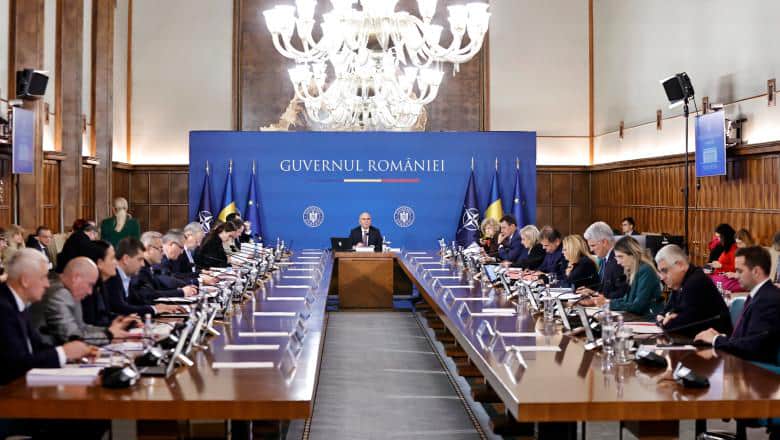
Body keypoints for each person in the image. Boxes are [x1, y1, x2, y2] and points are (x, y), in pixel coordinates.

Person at [0, 249, 97, 385]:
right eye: (43, 277)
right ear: (25, 280)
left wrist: (71, 354)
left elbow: (37, 347)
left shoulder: (18, 304)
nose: (47, 284)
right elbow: (15, 365)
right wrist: (63, 353)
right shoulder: (3, 309)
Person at [695, 246, 780, 364]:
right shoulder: (760, 294)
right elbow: (746, 339)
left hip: (757, 370)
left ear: (756, 271)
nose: (736, 275)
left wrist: (716, 339)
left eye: (740, 271)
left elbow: (753, 347)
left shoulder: (768, 299)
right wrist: (722, 337)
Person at [30, 257, 135, 346]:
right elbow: (73, 337)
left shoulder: (69, 290)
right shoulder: (60, 294)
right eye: (90, 285)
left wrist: (110, 330)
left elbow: (81, 328)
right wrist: (109, 335)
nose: (90, 292)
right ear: (76, 278)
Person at [655, 245, 732, 337]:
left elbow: (680, 326)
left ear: (680, 265)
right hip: (693, 339)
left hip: (717, 343)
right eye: (660, 272)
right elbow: (665, 313)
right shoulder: (680, 282)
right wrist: (665, 316)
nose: (662, 277)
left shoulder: (696, 282)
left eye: (665, 271)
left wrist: (666, 320)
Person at [582, 236, 662, 321]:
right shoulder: (634, 270)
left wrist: (607, 303)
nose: (618, 262)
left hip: (648, 319)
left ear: (633, 254)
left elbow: (638, 306)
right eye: (617, 257)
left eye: (621, 257)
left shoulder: (646, 270)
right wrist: (606, 301)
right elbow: (626, 300)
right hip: (637, 317)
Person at [106, 238, 182, 317]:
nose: (143, 264)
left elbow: (136, 302)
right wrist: (154, 309)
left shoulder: (128, 276)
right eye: (140, 259)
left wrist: (159, 307)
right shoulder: (112, 277)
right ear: (126, 259)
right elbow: (120, 308)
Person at [130, 232, 196, 304]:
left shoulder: (148, 267)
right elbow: (148, 294)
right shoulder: (139, 268)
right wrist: (181, 292)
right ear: (149, 249)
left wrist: (180, 289)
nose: (163, 253)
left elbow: (158, 287)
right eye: (160, 249)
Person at [580, 221, 629, 299]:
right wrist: (594, 293)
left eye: (593, 245)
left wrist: (598, 297)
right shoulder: (607, 258)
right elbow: (607, 288)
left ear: (604, 242)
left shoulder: (617, 260)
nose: (591, 250)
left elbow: (621, 293)